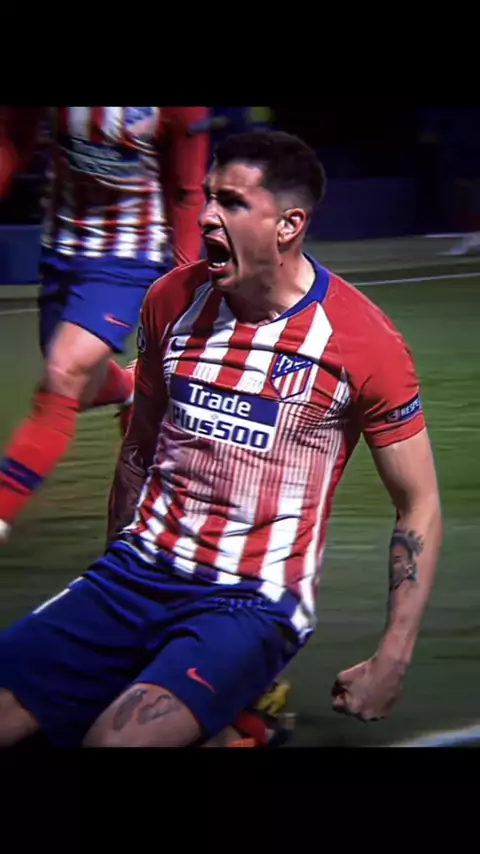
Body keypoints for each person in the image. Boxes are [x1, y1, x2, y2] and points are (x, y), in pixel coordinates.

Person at [0, 130, 442, 748]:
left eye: (231, 202)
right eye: (209, 196)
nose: (206, 215)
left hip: (251, 600)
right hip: (134, 573)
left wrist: (392, 657)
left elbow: (418, 503)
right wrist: (111, 572)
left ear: (288, 225)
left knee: (113, 742)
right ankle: (239, 721)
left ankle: (240, 712)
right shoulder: (169, 300)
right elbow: (140, 446)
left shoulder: (362, 342)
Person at [0, 106, 209, 543]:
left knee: (63, 376)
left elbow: (187, 191)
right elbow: (14, 138)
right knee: (79, 385)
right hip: (60, 249)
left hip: (128, 256)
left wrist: (183, 279)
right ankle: (134, 388)